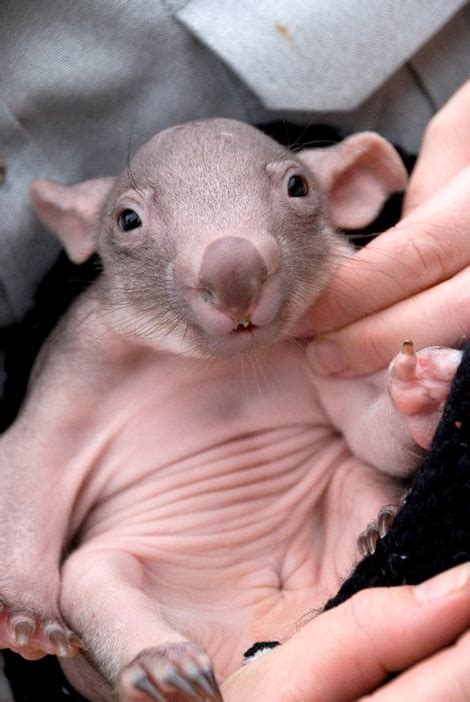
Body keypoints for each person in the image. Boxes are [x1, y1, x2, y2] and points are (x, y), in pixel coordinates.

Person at [0, 2, 469, 700]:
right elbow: (30, 458)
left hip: (351, 562)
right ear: (85, 226)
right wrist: (20, 593)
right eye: (129, 223)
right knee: (93, 576)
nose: (231, 275)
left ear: (353, 184)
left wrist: (418, 402)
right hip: (168, 595)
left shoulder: (326, 296)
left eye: (295, 190)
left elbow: (370, 431)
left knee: (365, 485)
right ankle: (148, 664)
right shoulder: (99, 343)